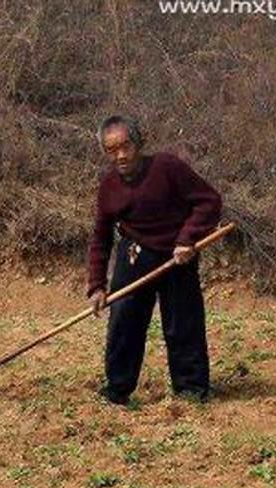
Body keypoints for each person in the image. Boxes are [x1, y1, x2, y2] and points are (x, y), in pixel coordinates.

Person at [87, 114, 222, 405]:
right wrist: (97, 285)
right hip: (135, 255)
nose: (121, 155)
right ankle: (118, 389)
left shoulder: (167, 167)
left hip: (177, 256)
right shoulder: (108, 187)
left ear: (138, 143)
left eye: (126, 146)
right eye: (112, 150)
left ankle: (190, 389)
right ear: (105, 153)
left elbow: (209, 201)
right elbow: (101, 237)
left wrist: (188, 239)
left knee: (182, 322)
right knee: (124, 320)